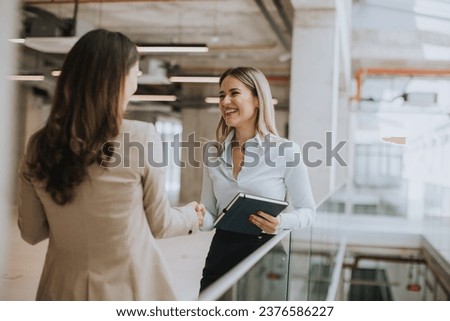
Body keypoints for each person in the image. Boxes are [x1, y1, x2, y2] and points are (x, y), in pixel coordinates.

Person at [18, 29, 203, 300]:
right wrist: (190, 215)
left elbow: (32, 232)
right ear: (120, 80)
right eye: (135, 74)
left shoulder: (38, 144)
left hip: (60, 292)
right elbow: (160, 224)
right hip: (127, 292)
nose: (136, 84)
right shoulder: (140, 137)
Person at [198, 66, 316, 292]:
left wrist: (281, 223)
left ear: (257, 100)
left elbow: (308, 212)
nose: (224, 102)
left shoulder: (285, 151)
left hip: (265, 255)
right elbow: (211, 215)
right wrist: (199, 217)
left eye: (234, 93)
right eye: (221, 95)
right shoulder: (212, 152)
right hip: (221, 254)